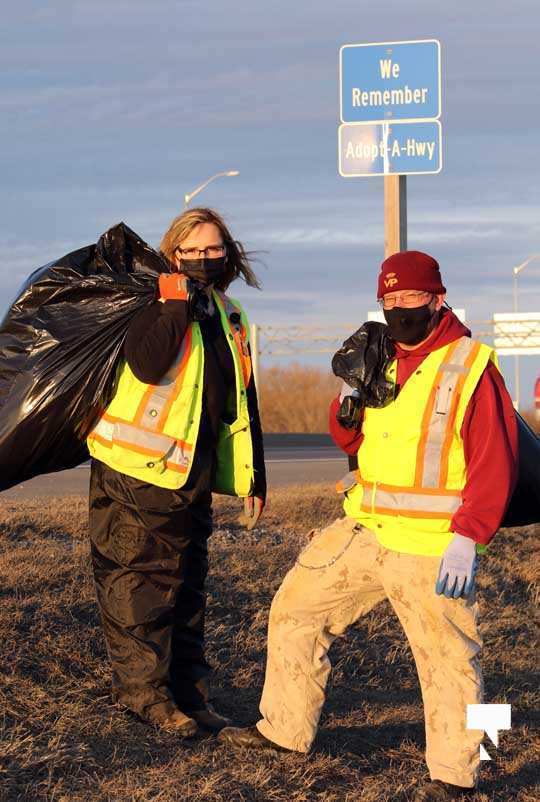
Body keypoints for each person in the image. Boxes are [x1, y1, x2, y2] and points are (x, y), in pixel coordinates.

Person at [219, 251, 518, 802]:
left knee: (449, 659)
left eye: (413, 299)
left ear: (438, 298)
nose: (402, 309)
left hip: (433, 545)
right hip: (367, 529)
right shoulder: (378, 357)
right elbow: (354, 442)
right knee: (295, 611)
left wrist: (467, 536)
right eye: (391, 300)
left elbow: (494, 460)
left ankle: (456, 777)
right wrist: (347, 399)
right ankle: (284, 730)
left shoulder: (470, 365)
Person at [87, 207, 266, 735]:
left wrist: (256, 476)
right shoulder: (151, 300)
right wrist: (171, 304)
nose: (203, 259)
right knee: (139, 585)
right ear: (172, 253)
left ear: (227, 252)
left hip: (192, 469)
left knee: (187, 586)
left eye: (213, 249)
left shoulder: (229, 313)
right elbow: (147, 364)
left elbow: (242, 399)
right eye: (191, 250)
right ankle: (147, 697)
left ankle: (190, 696)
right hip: (135, 466)